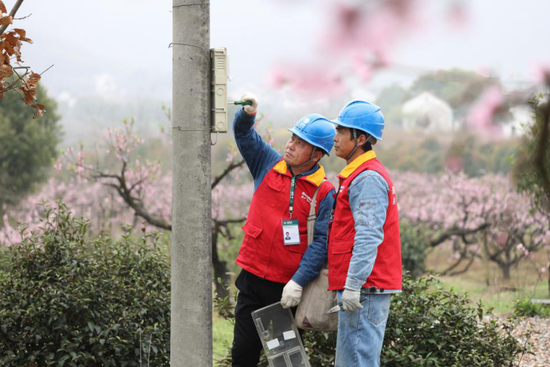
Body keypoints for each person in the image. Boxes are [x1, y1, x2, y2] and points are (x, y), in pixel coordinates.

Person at [231, 92, 336, 367]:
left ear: (316, 154)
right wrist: (248, 114)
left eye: (301, 143)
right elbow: (243, 135)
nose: (291, 145)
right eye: (292, 138)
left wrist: (298, 282)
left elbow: (322, 243)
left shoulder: (323, 192)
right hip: (252, 278)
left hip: (286, 288)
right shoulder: (267, 163)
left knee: (286, 360)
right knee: (243, 352)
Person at [328, 100, 402, 367]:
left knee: (357, 362)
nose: (334, 137)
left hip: (366, 289)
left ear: (360, 139)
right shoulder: (358, 174)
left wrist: (353, 285)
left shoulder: (368, 178)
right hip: (364, 288)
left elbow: (368, 236)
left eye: (341, 131)